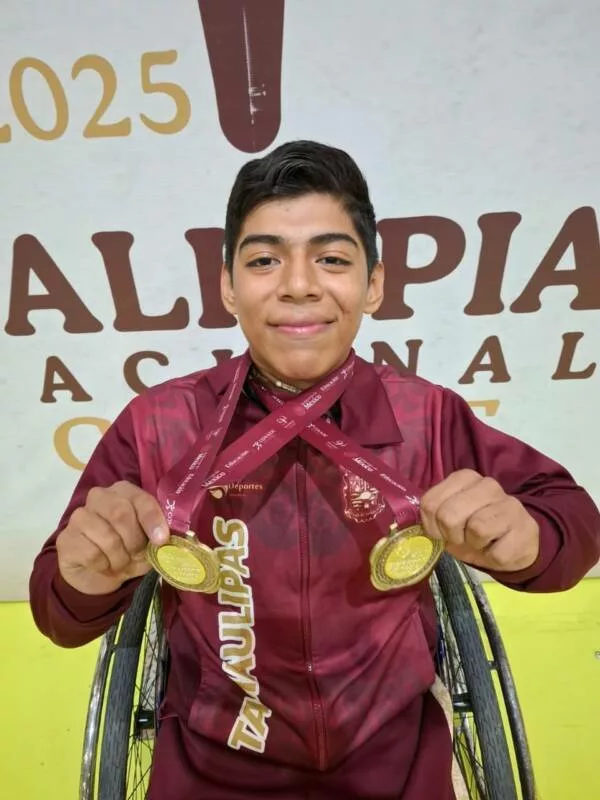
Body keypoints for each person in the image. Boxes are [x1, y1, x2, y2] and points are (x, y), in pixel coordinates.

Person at [30, 140, 600, 800]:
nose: (298, 284)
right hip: (212, 765)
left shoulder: (426, 416)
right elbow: (57, 608)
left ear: (374, 283)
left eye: (331, 259)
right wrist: (84, 577)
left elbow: (574, 520)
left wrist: (529, 538)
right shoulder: (160, 424)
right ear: (227, 286)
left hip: (394, 760)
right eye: (264, 260)